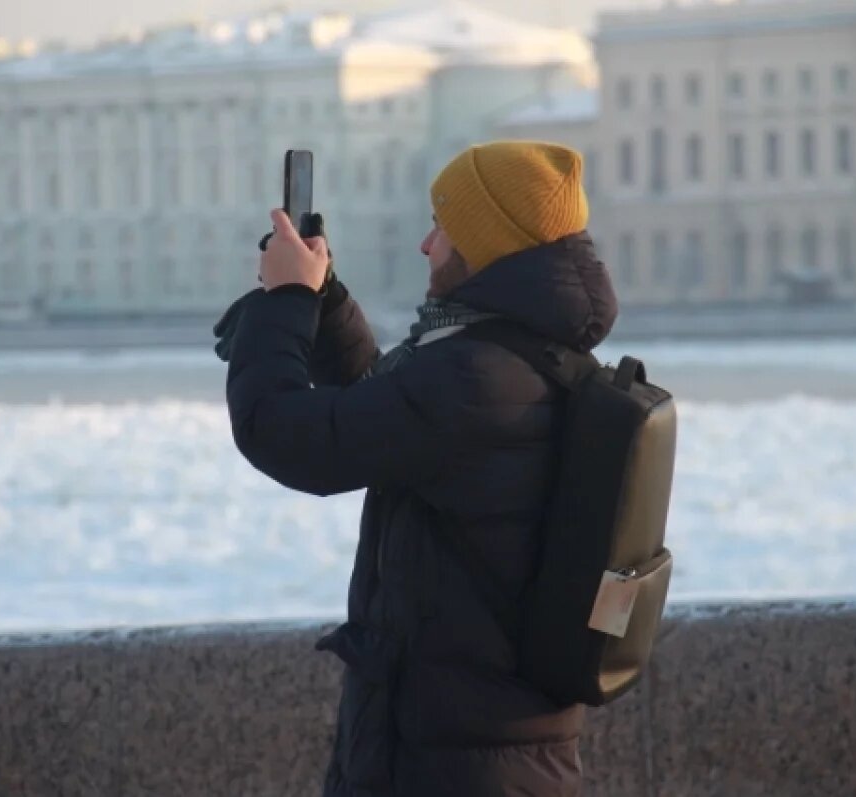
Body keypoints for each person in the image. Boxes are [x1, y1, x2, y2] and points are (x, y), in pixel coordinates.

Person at [223, 141, 618, 796]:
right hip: (501, 751)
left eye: (445, 229)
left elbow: (284, 433)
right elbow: (392, 409)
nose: (426, 244)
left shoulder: (474, 375)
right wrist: (326, 300)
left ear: (486, 245)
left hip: (443, 763)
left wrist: (286, 299)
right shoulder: (528, 357)